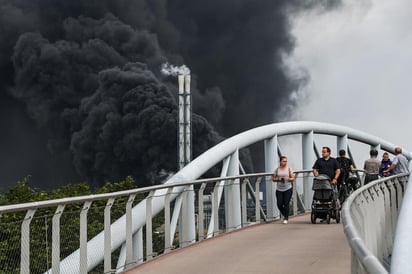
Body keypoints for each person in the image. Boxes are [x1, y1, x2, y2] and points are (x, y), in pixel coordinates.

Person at [272, 156, 295, 224]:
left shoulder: (289, 169)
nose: (285, 162)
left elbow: (293, 178)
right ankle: (285, 214)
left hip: (288, 189)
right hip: (279, 189)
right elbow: (273, 179)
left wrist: (288, 178)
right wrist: (279, 179)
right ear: (280, 161)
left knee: (286, 203)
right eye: (284, 161)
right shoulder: (277, 170)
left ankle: (286, 218)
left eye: (286, 161)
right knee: (279, 204)